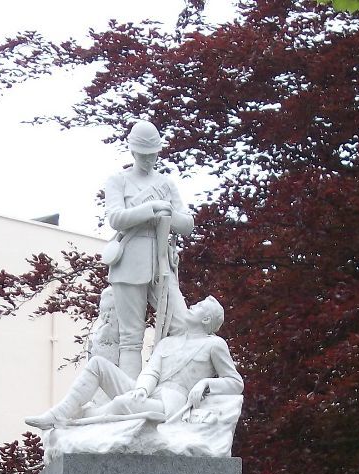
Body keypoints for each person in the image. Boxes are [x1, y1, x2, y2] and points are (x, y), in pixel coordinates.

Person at [25, 296, 242, 429]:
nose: (192, 305)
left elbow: (235, 383)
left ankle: (79, 418)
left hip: (170, 402)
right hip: (147, 392)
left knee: (121, 403)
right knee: (98, 364)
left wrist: (205, 384)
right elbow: (152, 372)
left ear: (206, 319)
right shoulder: (168, 343)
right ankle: (61, 413)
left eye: (198, 306)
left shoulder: (214, 345)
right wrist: (141, 389)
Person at [103, 119, 195, 377]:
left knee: (183, 325)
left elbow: (187, 225)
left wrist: (168, 212)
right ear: (133, 152)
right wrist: (149, 209)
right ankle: (130, 396)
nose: (148, 159)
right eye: (143, 155)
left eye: (152, 154)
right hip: (129, 261)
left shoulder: (166, 184)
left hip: (161, 262)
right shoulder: (118, 180)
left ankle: (168, 385)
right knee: (131, 338)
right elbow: (115, 218)